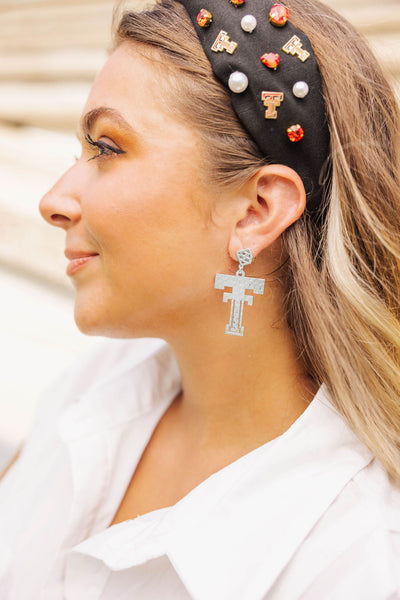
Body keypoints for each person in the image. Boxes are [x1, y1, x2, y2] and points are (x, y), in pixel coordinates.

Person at [1, 0, 400, 597]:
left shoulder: (357, 560)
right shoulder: (90, 393)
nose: (54, 200)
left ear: (255, 212)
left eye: (107, 148)